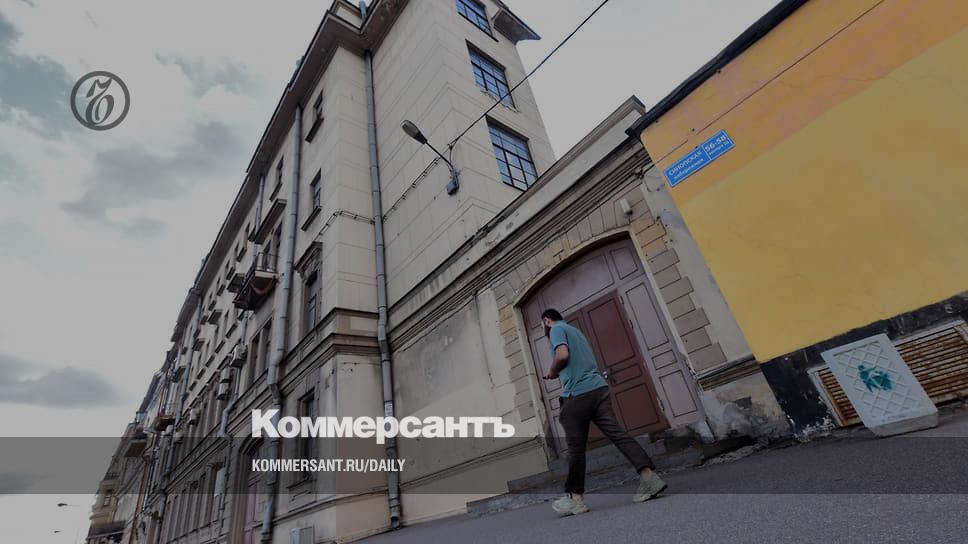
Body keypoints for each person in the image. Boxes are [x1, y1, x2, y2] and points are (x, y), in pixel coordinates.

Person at [541, 308, 666, 516]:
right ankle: (649, 478)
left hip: (577, 393)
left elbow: (562, 355)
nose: (544, 330)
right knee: (618, 434)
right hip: (598, 390)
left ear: (547, 321)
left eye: (543, 326)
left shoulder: (556, 330)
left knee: (575, 449)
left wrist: (552, 371)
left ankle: (575, 499)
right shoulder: (576, 332)